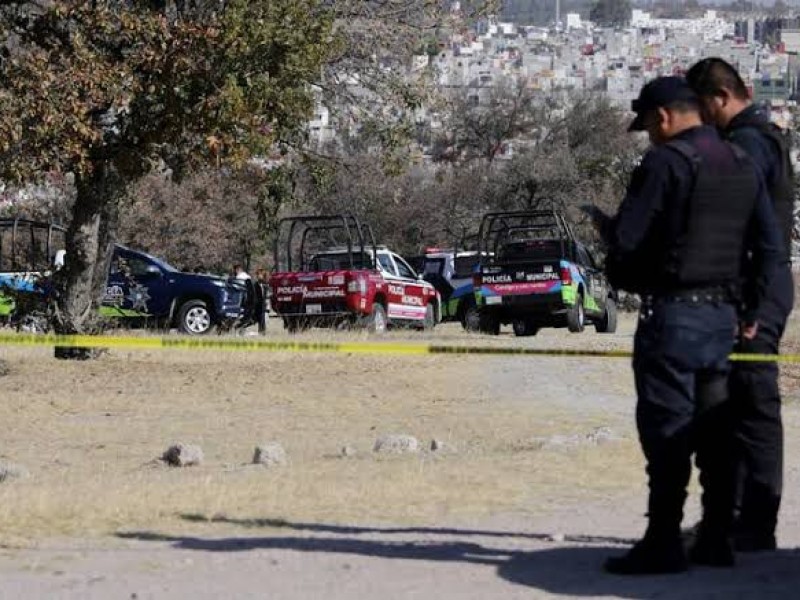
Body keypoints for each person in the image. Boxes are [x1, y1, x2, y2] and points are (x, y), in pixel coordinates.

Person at [589, 76, 780, 575]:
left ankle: (663, 542)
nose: (650, 135)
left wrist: (610, 241)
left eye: (649, 126)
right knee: (717, 436)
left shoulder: (665, 162)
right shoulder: (741, 160)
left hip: (672, 317)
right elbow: (770, 247)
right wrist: (752, 313)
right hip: (724, 321)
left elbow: (629, 245)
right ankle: (716, 538)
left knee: (666, 429)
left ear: (665, 118)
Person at [686, 57, 795, 552]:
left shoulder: (748, 144)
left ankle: (754, 523)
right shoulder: (761, 136)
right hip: (757, 288)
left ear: (717, 99)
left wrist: (749, 308)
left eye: (702, 109)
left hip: (757, 291)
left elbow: (754, 231)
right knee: (733, 404)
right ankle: (734, 518)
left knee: (753, 405)